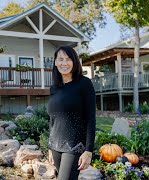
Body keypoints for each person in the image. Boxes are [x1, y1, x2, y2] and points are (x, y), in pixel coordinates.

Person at [47, 46, 96, 180]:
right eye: (60, 59)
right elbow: (52, 120)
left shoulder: (84, 84)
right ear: (56, 63)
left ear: (74, 61)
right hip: (56, 145)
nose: (64, 63)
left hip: (75, 146)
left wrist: (88, 151)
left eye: (68, 59)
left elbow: (91, 119)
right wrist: (50, 147)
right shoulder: (54, 88)